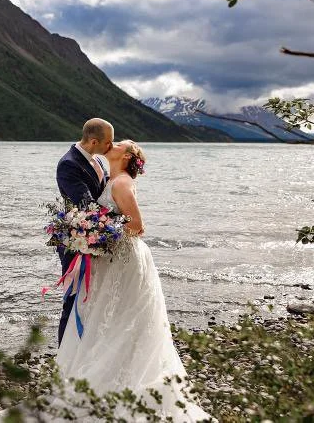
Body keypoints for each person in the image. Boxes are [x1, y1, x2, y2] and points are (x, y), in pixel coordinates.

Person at [53, 140, 211, 421]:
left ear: (126, 156)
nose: (111, 144)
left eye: (119, 143)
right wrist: (96, 232)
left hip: (125, 259)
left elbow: (137, 225)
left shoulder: (122, 183)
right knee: (109, 313)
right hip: (112, 258)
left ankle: (121, 374)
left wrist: (100, 230)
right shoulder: (109, 176)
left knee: (124, 313)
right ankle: (102, 366)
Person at [54, 118, 114, 346]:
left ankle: (86, 348)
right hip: (76, 239)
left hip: (94, 235)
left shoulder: (97, 159)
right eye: (108, 142)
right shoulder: (69, 164)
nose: (111, 146)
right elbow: (86, 204)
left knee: (92, 296)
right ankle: (64, 355)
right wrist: (119, 220)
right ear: (94, 141)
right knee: (73, 296)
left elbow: (103, 192)